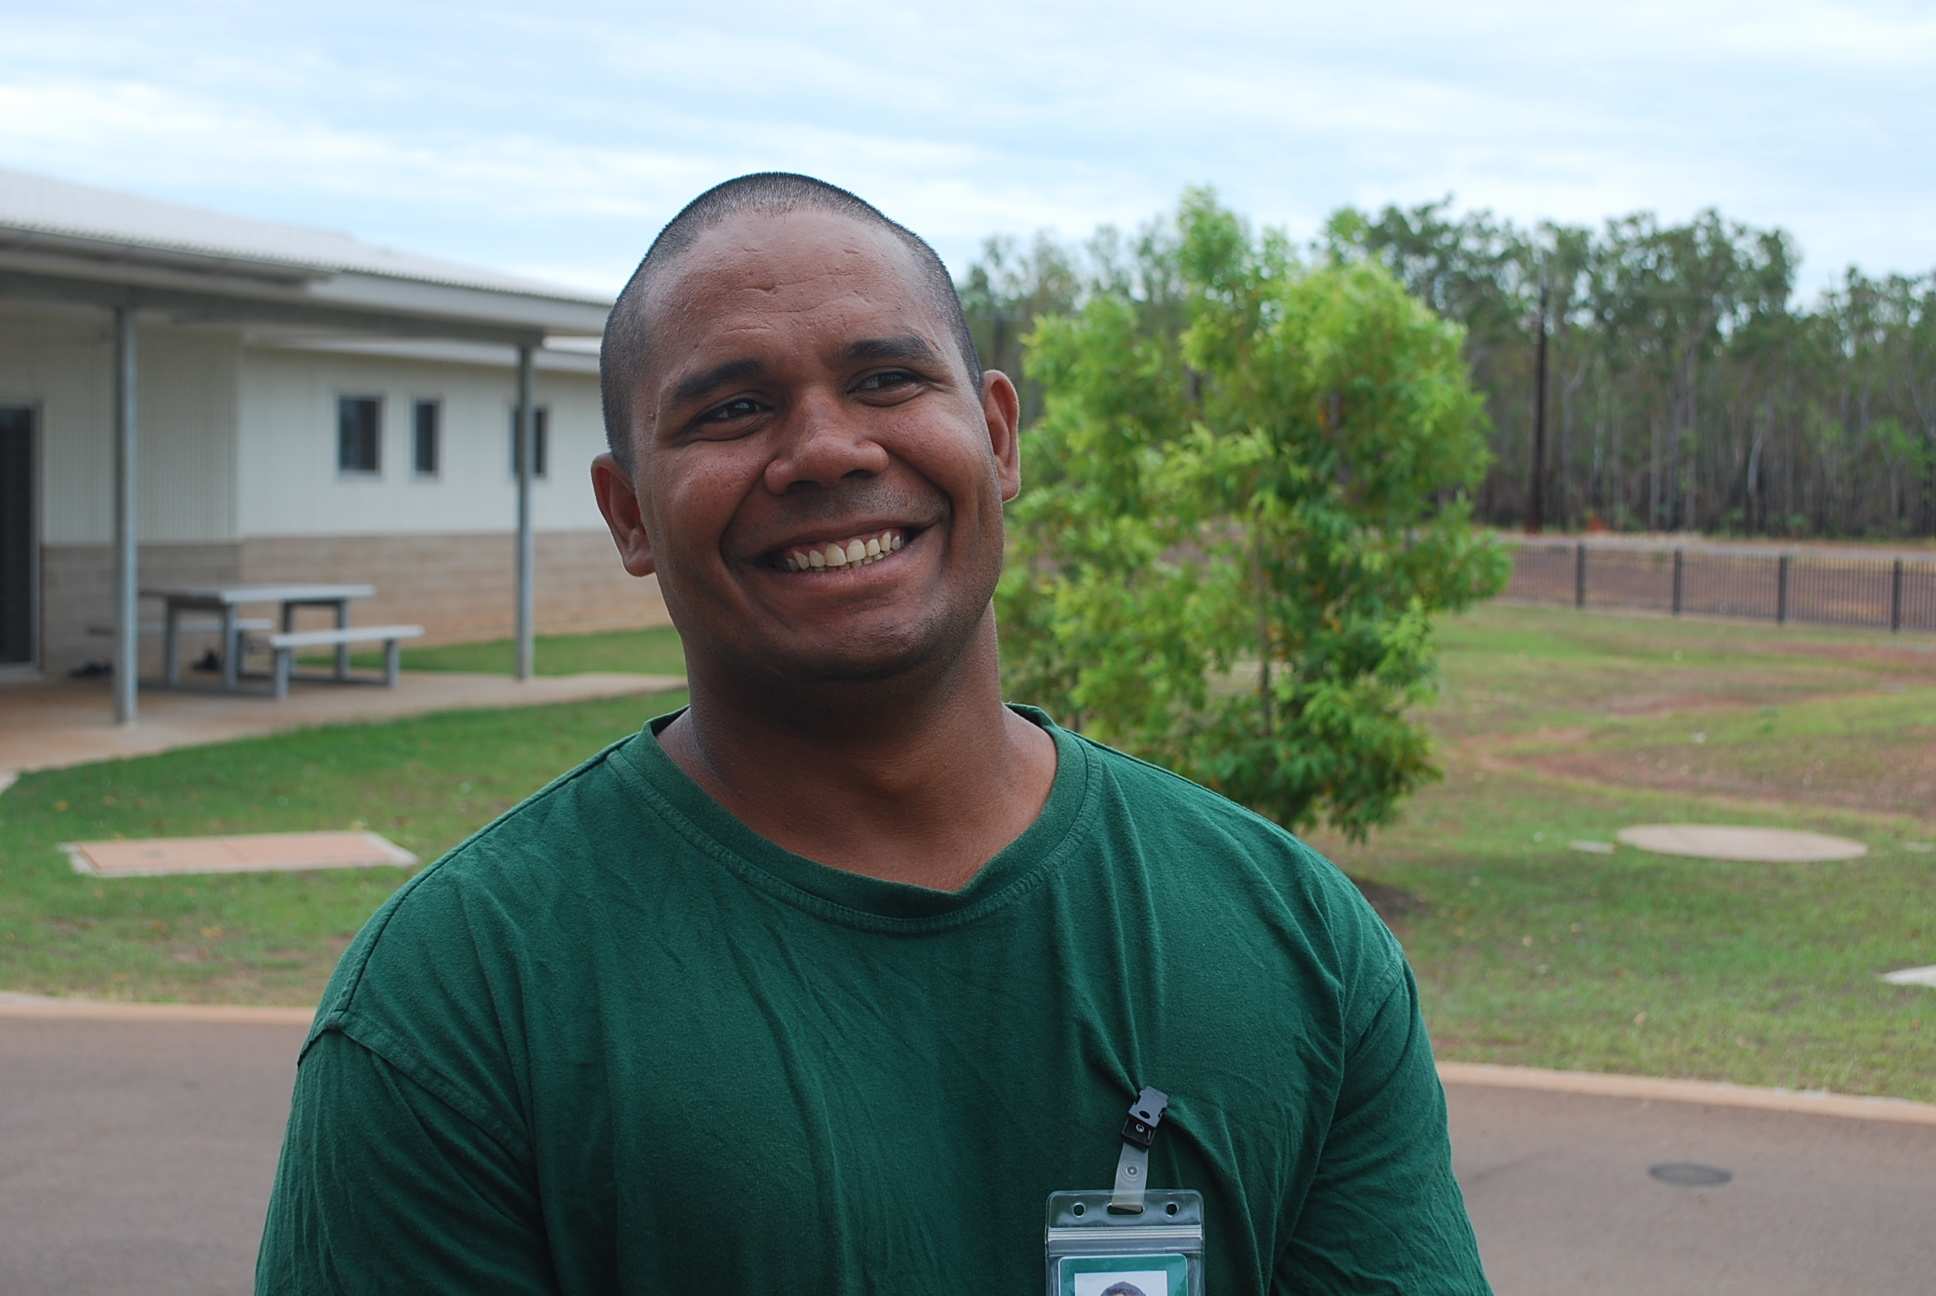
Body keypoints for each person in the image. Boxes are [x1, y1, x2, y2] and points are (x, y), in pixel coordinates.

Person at [255, 173, 1491, 1294]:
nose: (828, 450)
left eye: (888, 380)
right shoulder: (455, 1006)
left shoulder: (1295, 946)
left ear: (997, 439)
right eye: (731, 410)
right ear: (628, 513)